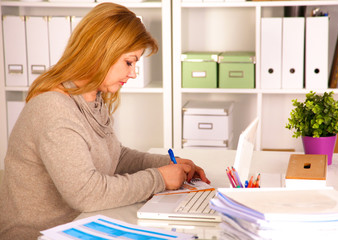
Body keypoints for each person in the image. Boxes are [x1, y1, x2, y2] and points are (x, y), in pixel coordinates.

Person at [0, 3, 210, 239]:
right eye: (129, 62)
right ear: (101, 52)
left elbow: (115, 157)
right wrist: (159, 178)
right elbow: (87, 194)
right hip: (40, 234)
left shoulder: (91, 97)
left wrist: (170, 165)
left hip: (81, 224)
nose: (133, 73)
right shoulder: (54, 109)